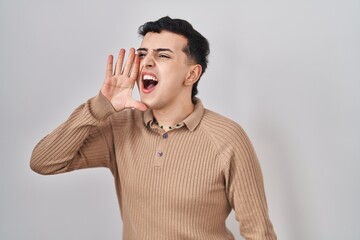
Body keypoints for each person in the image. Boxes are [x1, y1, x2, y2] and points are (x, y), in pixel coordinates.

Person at [30, 16, 277, 240]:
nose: (146, 62)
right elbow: (43, 161)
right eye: (142, 54)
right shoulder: (121, 126)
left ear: (191, 75)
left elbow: (258, 232)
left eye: (162, 55)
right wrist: (100, 106)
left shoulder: (227, 137)